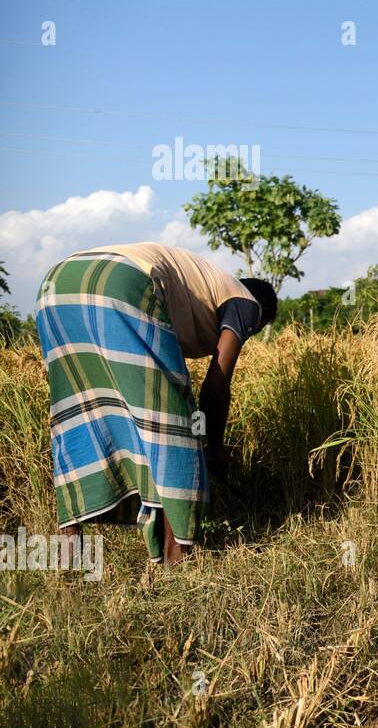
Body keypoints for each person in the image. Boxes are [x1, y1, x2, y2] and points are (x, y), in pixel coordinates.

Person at [35, 242, 277, 565]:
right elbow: (215, 388)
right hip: (122, 281)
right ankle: (176, 561)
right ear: (260, 318)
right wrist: (215, 448)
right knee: (175, 425)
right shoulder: (246, 304)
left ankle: (68, 561)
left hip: (59, 284)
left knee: (81, 412)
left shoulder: (205, 288)